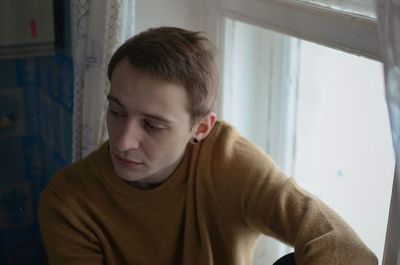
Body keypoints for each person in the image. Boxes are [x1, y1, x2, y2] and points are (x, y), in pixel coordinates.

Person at [39, 27, 377, 265]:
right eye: (116, 111)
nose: (123, 141)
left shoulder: (227, 161)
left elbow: (344, 246)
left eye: (153, 125)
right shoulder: (68, 201)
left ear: (200, 127)